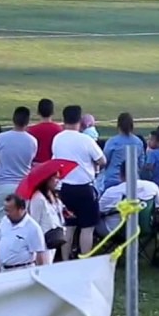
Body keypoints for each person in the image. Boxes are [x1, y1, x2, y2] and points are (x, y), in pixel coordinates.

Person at [52, 105, 106, 257]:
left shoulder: (58, 139)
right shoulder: (85, 140)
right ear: (80, 121)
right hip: (84, 189)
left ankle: (65, 261)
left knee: (69, 227)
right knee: (87, 227)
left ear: (63, 119)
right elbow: (102, 160)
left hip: (65, 189)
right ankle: (85, 260)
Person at [0, 107, 37, 238]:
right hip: (22, 185)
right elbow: (31, 160)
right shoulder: (32, 141)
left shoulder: (1, 137)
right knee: (22, 218)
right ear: (27, 122)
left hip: (3, 183)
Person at [0, 195, 47, 273]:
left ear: (21, 209)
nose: (6, 213)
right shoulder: (5, 220)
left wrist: (41, 274)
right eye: (5, 210)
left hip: (21, 272)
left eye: (9, 210)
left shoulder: (33, 228)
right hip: (2, 270)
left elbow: (40, 255)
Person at [100, 112, 145, 191]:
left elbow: (105, 160)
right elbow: (141, 163)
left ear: (118, 126)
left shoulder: (113, 142)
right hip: (132, 180)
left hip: (113, 179)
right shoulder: (138, 142)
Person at [28, 173, 66, 264]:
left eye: (58, 178)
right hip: (43, 242)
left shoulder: (53, 195)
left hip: (55, 237)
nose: (57, 181)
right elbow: (34, 222)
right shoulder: (38, 198)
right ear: (47, 179)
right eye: (55, 178)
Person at [28, 98, 63, 164]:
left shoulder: (32, 130)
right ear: (53, 112)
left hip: (36, 165)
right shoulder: (59, 129)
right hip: (52, 164)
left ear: (38, 112)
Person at [141, 128, 159, 195]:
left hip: (158, 181)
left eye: (151, 140)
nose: (148, 141)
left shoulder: (152, 153)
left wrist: (142, 166)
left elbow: (150, 166)